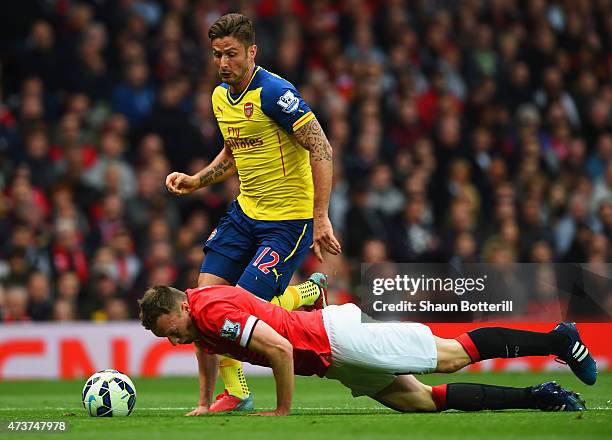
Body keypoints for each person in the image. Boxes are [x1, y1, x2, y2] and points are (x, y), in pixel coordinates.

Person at [164, 13, 341, 414]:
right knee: (202, 299)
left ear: (252, 52)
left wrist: (321, 216)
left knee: (237, 307)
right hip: (245, 212)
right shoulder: (219, 97)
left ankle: (309, 292)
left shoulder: (275, 93)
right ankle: (221, 396)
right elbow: (233, 152)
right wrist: (196, 181)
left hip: (287, 220)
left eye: (231, 54)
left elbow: (321, 147)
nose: (224, 63)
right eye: (216, 55)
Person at [138, 285, 596, 416]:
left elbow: (278, 349)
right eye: (167, 339)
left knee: (451, 355)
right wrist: (203, 402)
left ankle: (558, 339)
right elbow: (204, 349)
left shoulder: (212, 310)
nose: (175, 340)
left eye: (171, 329)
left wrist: (281, 412)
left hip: (338, 341)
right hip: (331, 360)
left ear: (180, 304)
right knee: (420, 402)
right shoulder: (198, 321)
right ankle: (540, 396)